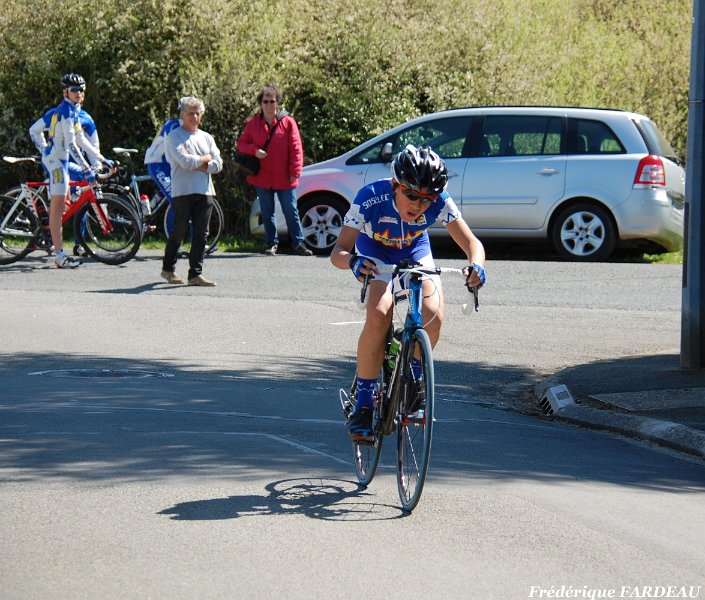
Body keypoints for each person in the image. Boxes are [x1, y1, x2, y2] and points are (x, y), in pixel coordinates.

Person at [330, 145, 487, 440]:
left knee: (434, 314)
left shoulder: (440, 201)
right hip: (375, 252)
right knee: (379, 314)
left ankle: (413, 377)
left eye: (427, 199)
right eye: (411, 195)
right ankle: (363, 403)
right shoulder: (370, 197)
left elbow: (471, 243)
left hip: (415, 250)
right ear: (395, 185)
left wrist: (476, 266)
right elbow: (338, 251)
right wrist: (352, 261)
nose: (419, 205)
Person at [41, 73, 111, 269]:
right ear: (66, 92)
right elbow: (69, 144)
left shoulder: (79, 113)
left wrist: (101, 160)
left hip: (67, 163)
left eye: (82, 89)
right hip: (58, 163)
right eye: (75, 90)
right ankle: (58, 251)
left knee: (72, 200)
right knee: (60, 205)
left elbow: (86, 142)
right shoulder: (61, 112)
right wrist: (44, 149)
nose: (79, 93)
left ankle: (71, 242)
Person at [236, 84, 312, 256]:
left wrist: (295, 171)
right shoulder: (253, 123)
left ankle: (298, 243)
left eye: (272, 101)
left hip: (284, 176)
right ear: (260, 103)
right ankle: (272, 244)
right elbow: (241, 143)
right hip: (262, 176)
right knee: (267, 211)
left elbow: (296, 148)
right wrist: (254, 150)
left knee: (290, 210)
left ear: (278, 102)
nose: (269, 105)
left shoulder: (288, 122)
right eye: (266, 101)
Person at [161, 96, 222, 287]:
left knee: (201, 234)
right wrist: (205, 159)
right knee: (179, 232)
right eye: (190, 113)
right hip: (183, 191)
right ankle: (168, 269)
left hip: (205, 191)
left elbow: (218, 164)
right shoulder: (174, 136)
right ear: (182, 115)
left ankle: (195, 274)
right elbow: (184, 161)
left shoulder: (206, 137)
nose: (194, 117)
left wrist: (202, 163)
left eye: (197, 113)